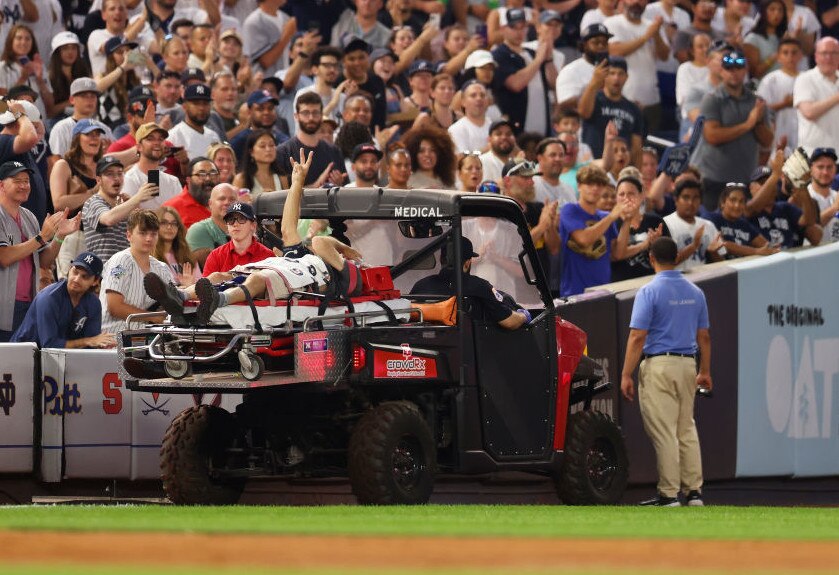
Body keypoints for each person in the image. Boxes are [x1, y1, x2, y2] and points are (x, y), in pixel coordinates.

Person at [145, 150, 365, 326]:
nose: (236, 225)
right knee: (219, 276)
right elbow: (289, 227)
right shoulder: (301, 256)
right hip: (283, 272)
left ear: (252, 225)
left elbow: (321, 242)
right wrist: (297, 181)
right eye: (232, 221)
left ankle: (217, 300)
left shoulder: (344, 274)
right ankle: (179, 296)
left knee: (260, 279)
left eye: (242, 220)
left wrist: (345, 250)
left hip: (298, 285)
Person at [620, 236, 711, 507]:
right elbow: (704, 336)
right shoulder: (696, 292)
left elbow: (637, 336)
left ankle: (669, 494)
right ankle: (694, 492)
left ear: (651, 258)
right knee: (686, 428)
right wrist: (705, 370)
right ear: (677, 257)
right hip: (687, 363)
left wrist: (626, 373)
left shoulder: (649, 291)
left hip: (659, 363)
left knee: (664, 431)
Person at [0, 161, 80, 340]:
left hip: (29, 303)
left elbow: (43, 261)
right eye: (17, 180)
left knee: (24, 363)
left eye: (27, 181)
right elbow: (4, 257)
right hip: (4, 306)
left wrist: (59, 236)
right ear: (1, 185)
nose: (24, 185)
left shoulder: (29, 216)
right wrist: (41, 237)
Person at [693, 49, 774, 211]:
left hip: (744, 180)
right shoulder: (712, 99)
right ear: (721, 71)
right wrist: (748, 124)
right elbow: (712, 136)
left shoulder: (756, 101)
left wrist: (757, 123)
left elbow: (767, 141)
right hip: (714, 179)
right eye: (729, 68)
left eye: (738, 68)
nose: (734, 73)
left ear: (745, 70)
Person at [410, 235, 530, 331]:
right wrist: (524, 315)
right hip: (469, 355)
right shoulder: (479, 286)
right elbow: (509, 322)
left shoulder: (420, 286)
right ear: (467, 263)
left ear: (442, 260)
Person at [11, 251, 115, 348]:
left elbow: (92, 342)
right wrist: (87, 341)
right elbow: (49, 345)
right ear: (70, 269)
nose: (76, 279)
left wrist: (101, 345)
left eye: (85, 276)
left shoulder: (93, 303)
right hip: (22, 355)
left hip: (56, 358)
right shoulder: (48, 297)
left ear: (95, 281)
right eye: (75, 272)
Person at [559, 164, 631, 296]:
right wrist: (612, 216)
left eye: (599, 184)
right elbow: (583, 239)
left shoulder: (604, 217)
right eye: (589, 183)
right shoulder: (569, 210)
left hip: (603, 291)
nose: (595, 188)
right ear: (579, 186)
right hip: (574, 293)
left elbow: (617, 254)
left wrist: (627, 220)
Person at [99, 209, 174, 333]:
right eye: (143, 233)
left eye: (153, 234)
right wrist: (153, 317)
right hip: (113, 337)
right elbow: (115, 307)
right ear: (129, 235)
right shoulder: (121, 260)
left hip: (147, 338)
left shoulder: (161, 268)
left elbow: (171, 303)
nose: (149, 238)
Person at [604, 0, 670, 133]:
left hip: (651, 97)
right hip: (623, 96)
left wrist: (656, 35)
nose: (637, 2)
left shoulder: (653, 26)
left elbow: (664, 56)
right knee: (622, 142)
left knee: (650, 146)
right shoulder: (612, 23)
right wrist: (646, 36)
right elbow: (616, 51)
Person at [82, 155, 156, 265]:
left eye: (120, 173)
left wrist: (135, 206)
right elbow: (108, 219)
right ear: (98, 180)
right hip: (103, 273)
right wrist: (137, 198)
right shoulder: (92, 202)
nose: (116, 178)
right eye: (109, 174)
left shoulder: (125, 205)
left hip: (127, 270)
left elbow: (146, 232)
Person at [491, 7, 553, 136]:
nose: (519, 32)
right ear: (503, 29)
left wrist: (548, 57)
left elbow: (553, 83)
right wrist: (538, 59)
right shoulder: (499, 54)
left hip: (542, 124)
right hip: (516, 128)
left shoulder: (532, 53)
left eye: (522, 27)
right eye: (514, 27)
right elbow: (515, 84)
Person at [579, 57, 644, 164]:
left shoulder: (633, 108)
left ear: (626, 77)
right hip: (593, 164)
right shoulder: (593, 98)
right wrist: (593, 83)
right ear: (604, 76)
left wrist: (636, 174)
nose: (616, 78)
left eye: (620, 73)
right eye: (611, 73)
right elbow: (583, 112)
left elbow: (636, 148)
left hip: (620, 167)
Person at [276, 91, 346, 188]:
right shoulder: (283, 152)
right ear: (296, 116)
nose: (311, 118)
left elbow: (345, 186)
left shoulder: (334, 151)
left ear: (321, 116)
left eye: (315, 113)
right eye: (305, 113)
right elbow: (282, 195)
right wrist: (317, 185)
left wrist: (339, 185)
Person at [663, 178, 725, 270]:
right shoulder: (665, 224)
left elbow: (722, 266)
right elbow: (665, 265)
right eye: (686, 197)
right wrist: (693, 246)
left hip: (706, 280)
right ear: (676, 200)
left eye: (695, 198)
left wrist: (713, 253)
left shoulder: (708, 225)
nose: (691, 203)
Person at [706, 183, 780, 258]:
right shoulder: (712, 218)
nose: (737, 205)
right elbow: (722, 245)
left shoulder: (743, 224)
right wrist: (756, 251)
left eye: (741, 201)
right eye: (733, 200)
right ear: (722, 203)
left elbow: (765, 244)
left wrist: (772, 248)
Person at [793, 37, 839, 154]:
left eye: (834, 53)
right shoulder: (805, 79)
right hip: (814, 155)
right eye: (824, 53)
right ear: (816, 56)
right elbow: (809, 112)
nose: (829, 58)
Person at [121, 122, 182, 210]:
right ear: (139, 147)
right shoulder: (129, 179)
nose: (157, 142)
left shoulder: (173, 181)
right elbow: (129, 218)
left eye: (160, 139)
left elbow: (179, 214)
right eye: (150, 139)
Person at [757, 38, 803, 152]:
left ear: (801, 55)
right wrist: (784, 104)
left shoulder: (807, 78)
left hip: (803, 135)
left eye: (794, 52)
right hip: (778, 134)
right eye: (785, 52)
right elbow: (761, 110)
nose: (790, 57)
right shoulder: (770, 80)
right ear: (778, 56)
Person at [556, 24, 613, 112]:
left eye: (604, 43)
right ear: (584, 45)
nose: (601, 46)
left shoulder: (615, 68)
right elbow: (565, 106)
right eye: (596, 42)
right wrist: (594, 86)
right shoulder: (570, 71)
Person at [167, 83, 221, 161]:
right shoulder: (174, 136)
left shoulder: (214, 136)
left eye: (205, 104)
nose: (201, 108)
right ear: (184, 107)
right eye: (196, 104)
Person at [47, 31, 93, 121]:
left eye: (74, 48)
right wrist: (74, 100)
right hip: (57, 121)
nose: (70, 52)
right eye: (65, 48)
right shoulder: (50, 77)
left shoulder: (84, 73)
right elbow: (50, 111)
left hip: (83, 118)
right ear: (57, 52)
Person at [155, 206, 201, 286]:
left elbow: (200, 288)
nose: (169, 227)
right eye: (164, 223)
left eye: (174, 223)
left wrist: (189, 286)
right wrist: (184, 288)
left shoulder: (188, 257)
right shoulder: (149, 256)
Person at [233, 130, 285, 200]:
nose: (268, 149)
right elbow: (235, 206)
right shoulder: (241, 179)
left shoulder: (282, 177)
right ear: (251, 152)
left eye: (272, 145)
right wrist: (258, 199)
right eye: (262, 146)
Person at [743, 0, 787, 80]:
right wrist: (776, 55)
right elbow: (754, 73)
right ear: (763, 13)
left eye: (780, 10)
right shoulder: (752, 38)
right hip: (762, 86)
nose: (777, 13)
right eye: (772, 9)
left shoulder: (784, 37)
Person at [448, 80, 490, 155]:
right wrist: (487, 149)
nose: (479, 98)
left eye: (482, 95)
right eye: (473, 95)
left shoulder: (494, 126)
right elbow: (462, 158)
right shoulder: (456, 129)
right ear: (463, 102)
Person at [479, 119, 516, 184]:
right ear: (489, 139)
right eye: (498, 134)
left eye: (509, 134)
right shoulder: (482, 161)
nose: (504, 137)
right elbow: (484, 190)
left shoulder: (516, 163)